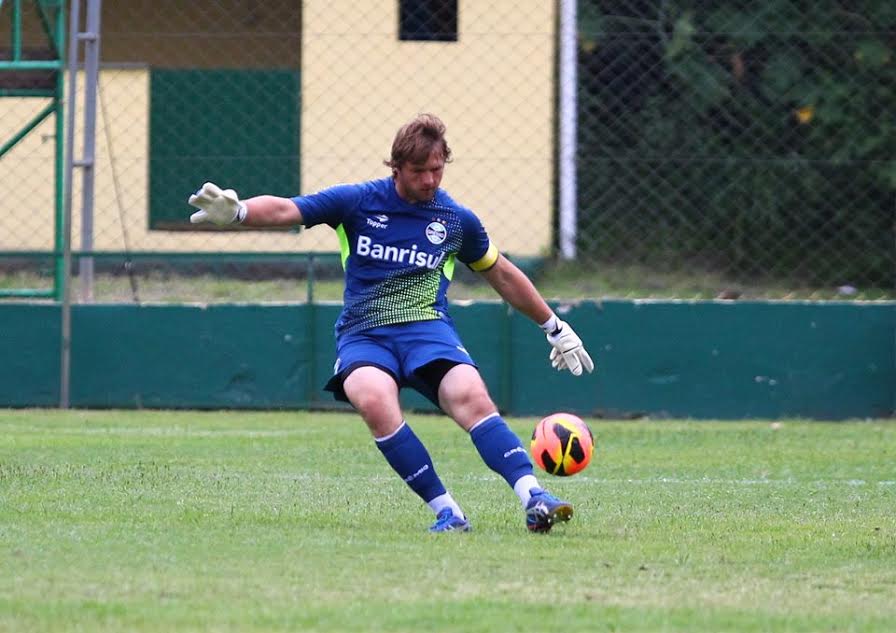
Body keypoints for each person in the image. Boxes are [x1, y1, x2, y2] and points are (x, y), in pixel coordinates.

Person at [188, 113, 594, 533]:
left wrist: (554, 326)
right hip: (364, 334)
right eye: (419, 171)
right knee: (372, 397)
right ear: (396, 167)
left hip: (427, 330)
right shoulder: (357, 202)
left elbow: (502, 273)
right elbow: (289, 209)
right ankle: (448, 511)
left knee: (470, 395)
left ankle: (534, 496)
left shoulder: (456, 220)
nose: (430, 180)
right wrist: (239, 213)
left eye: (437, 169)